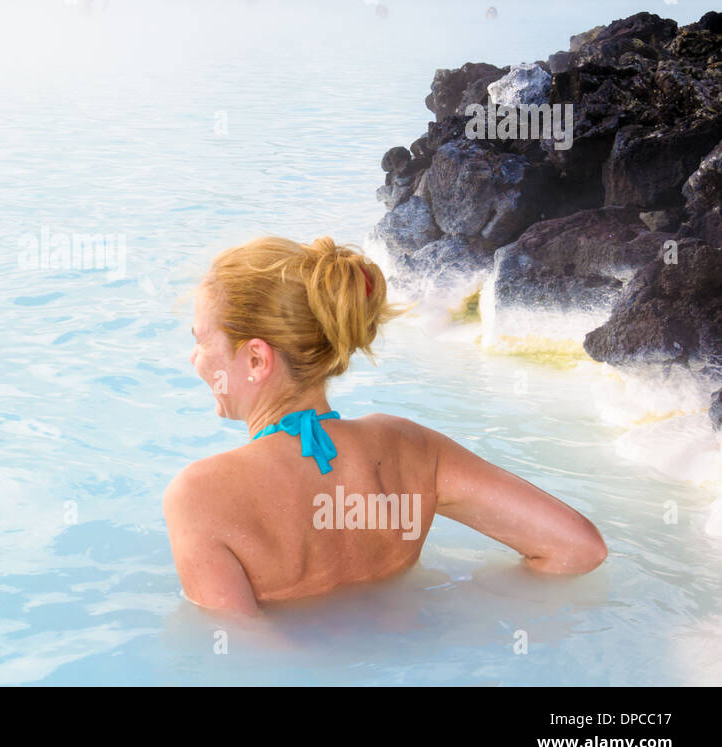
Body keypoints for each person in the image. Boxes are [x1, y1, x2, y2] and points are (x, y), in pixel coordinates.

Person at [165, 236, 607, 616]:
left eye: (201, 341)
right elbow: (578, 548)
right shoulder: (408, 446)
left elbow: (238, 656)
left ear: (257, 360)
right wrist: (469, 611)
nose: (194, 359)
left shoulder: (199, 494)